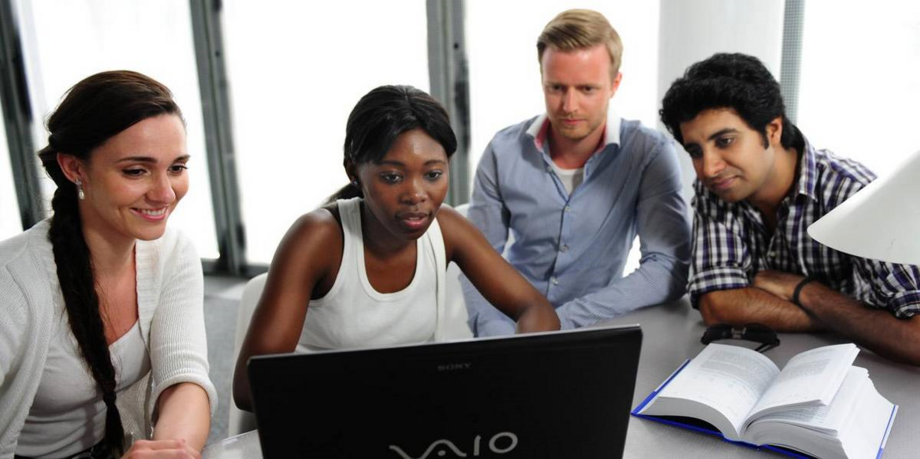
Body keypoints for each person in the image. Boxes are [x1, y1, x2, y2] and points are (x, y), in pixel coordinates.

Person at [232, 85, 560, 411]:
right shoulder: (318, 238)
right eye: (392, 177)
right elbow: (250, 387)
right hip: (320, 417)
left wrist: (519, 369)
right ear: (354, 171)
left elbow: (535, 308)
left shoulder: (448, 229)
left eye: (433, 174)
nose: (416, 194)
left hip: (409, 418)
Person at [0, 71, 216, 458]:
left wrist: (172, 450)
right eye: (136, 170)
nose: (165, 193)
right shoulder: (11, 283)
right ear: (74, 169)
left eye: (177, 167)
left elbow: (184, 374)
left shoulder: (172, 251)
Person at [659, 52, 920, 365]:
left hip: (856, 374)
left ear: (772, 130)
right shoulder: (719, 188)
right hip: (762, 363)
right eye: (695, 151)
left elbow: (916, 338)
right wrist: (853, 317)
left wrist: (805, 291)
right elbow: (718, 306)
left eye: (725, 141)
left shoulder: (852, 192)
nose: (709, 167)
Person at [462, 9, 691, 336]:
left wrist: (562, 322)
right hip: (509, 328)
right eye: (556, 88)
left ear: (615, 84)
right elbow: (476, 261)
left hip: (594, 331)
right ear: (541, 79)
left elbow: (668, 266)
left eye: (586, 89)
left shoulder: (648, 153)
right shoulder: (503, 150)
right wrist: (498, 338)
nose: (569, 106)